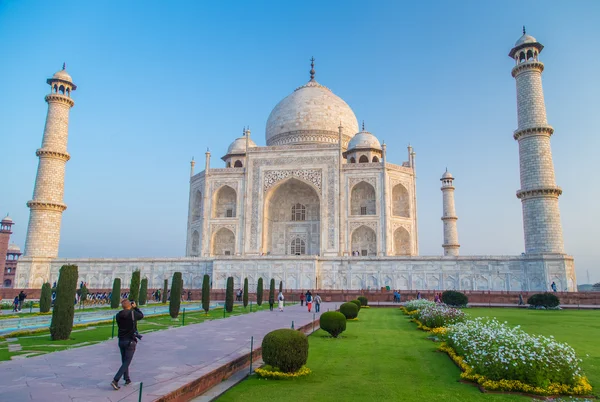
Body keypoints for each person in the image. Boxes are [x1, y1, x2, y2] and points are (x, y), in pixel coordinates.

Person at [111, 299, 144, 390]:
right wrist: (136, 307)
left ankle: (127, 379)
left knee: (124, 361)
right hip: (130, 341)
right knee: (127, 362)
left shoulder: (118, 315)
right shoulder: (133, 314)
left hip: (121, 340)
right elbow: (141, 315)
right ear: (130, 305)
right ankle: (115, 380)